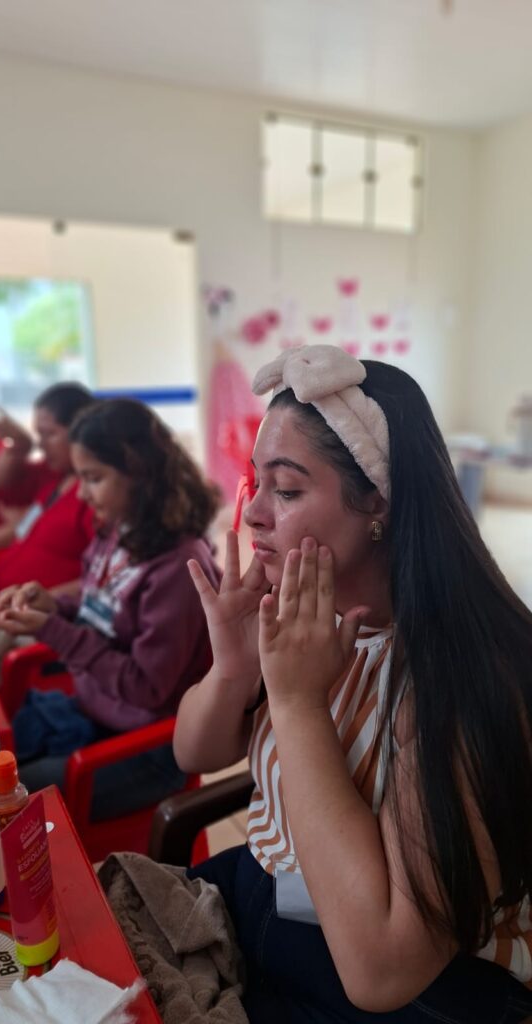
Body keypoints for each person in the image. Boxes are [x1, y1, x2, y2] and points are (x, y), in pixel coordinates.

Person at [169, 344, 532, 1023]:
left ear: (378, 505)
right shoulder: (316, 621)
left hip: (425, 987)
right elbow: (192, 755)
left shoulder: (465, 681)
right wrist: (234, 667)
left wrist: (300, 703)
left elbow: (381, 970)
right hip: (281, 904)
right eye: (257, 482)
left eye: (287, 488)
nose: (251, 515)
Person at [0, 397, 222, 818]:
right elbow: (103, 609)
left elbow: (146, 688)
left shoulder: (179, 566)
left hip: (147, 748)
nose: (83, 495)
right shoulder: (120, 531)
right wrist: (55, 604)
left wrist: (53, 630)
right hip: (94, 712)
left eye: (93, 478)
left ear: (139, 473)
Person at [0, 382, 96, 608]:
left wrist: (33, 605)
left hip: (21, 612)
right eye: (38, 436)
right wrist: (19, 446)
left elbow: (102, 581)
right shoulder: (54, 477)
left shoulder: (94, 495)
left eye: (49, 434)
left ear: (80, 432)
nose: (41, 446)